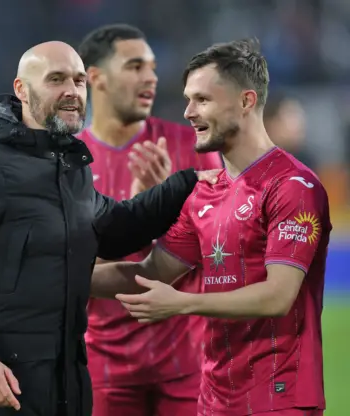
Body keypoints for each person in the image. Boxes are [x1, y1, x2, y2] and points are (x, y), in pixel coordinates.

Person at [0, 41, 218, 416]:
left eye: (79, 80)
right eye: (56, 79)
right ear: (21, 90)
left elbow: (118, 228)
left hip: (62, 392)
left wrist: (190, 182)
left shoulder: (70, 170)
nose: (72, 91)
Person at [92, 39, 330, 416]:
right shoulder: (205, 192)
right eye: (188, 99)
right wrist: (59, 273)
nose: (188, 112)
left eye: (202, 100)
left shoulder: (293, 187)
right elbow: (149, 272)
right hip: (215, 400)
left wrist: (183, 304)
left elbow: (277, 296)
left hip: (279, 398)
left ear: (246, 102)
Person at [77, 24, 223, 416]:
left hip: (187, 362)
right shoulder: (66, 161)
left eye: (153, 67)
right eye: (135, 65)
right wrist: (145, 208)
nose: (151, 77)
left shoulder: (192, 148)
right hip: (103, 366)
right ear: (96, 78)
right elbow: (64, 264)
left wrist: (172, 208)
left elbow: (221, 250)